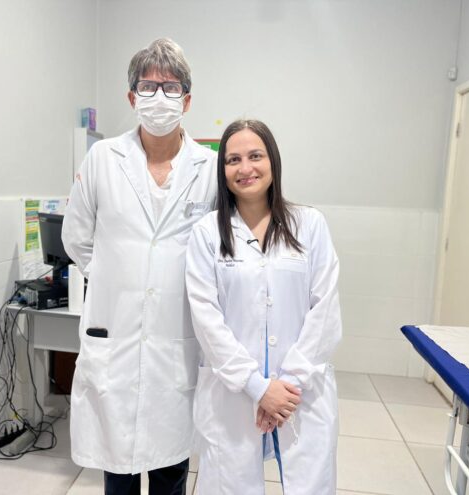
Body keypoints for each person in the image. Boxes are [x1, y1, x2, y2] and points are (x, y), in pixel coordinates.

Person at [62, 38, 217, 495]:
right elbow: (76, 238)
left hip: (176, 343)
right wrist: (121, 275)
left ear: (187, 100)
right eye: (148, 86)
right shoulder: (103, 158)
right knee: (119, 471)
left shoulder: (209, 168)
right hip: (117, 338)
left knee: (171, 472)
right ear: (132, 97)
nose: (159, 97)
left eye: (171, 87)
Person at [185, 119, 342, 494]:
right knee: (229, 484)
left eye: (255, 156)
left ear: (273, 160)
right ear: (223, 170)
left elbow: (325, 310)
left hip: (301, 393)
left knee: (309, 484)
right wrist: (257, 387)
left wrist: (286, 389)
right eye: (233, 160)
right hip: (233, 392)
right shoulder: (207, 232)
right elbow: (206, 319)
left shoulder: (310, 224)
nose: (245, 168)